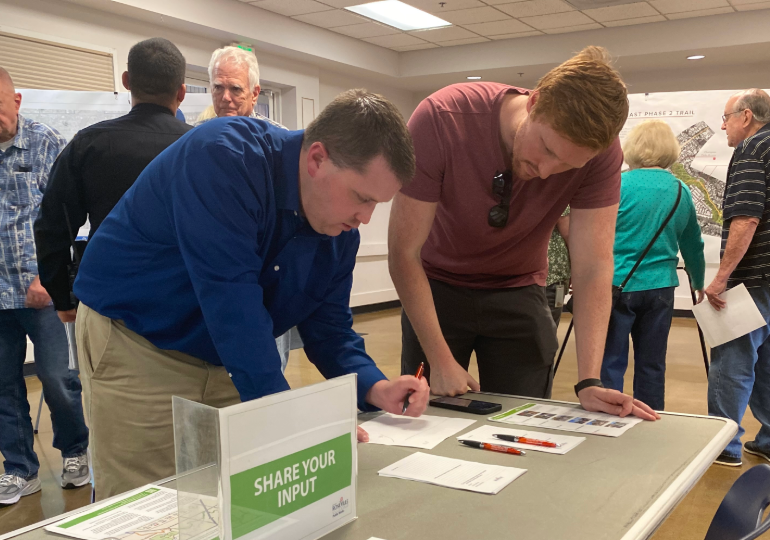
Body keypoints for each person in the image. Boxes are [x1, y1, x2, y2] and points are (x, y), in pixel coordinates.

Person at [73, 89, 430, 499]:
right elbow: (233, 305)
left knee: (233, 498)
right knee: (149, 503)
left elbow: (329, 329)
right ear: (317, 159)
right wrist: (291, 420)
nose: (364, 219)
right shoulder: (223, 158)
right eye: (362, 198)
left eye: (376, 205)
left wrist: (374, 387)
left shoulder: (338, 230)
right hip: (138, 343)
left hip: (226, 357)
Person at [389, 46, 658, 421]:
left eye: (568, 165)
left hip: (519, 288)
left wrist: (589, 380)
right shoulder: (441, 118)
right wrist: (438, 357)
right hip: (435, 288)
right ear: (535, 102)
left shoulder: (601, 155)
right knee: (428, 420)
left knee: (525, 419)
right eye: (547, 148)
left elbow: (594, 264)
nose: (547, 172)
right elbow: (404, 253)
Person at [34, 38, 191, 324]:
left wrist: (63, 297)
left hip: (109, 305)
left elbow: (52, 226)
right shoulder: (202, 147)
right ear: (182, 92)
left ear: (127, 80)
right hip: (187, 305)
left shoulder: (88, 145)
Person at [0, 67, 90, 505]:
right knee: (4, 384)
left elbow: (66, 220)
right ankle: (19, 469)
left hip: (40, 292)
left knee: (56, 378)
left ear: (16, 102)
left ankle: (74, 450)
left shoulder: (46, 142)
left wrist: (47, 277)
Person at [600, 120, 705, 412]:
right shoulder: (682, 190)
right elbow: (693, 244)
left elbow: (598, 236)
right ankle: (650, 416)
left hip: (617, 283)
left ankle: (610, 417)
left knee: (610, 359)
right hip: (661, 287)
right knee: (652, 362)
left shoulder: (617, 184)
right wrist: (697, 281)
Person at [198, 46, 292, 369]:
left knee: (265, 370)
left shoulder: (280, 143)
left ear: (254, 93)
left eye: (235, 89)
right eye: (217, 88)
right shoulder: (195, 141)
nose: (226, 98)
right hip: (214, 279)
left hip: (264, 280)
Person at [702, 89, 770, 467]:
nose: (724, 126)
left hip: (756, 275)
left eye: (726, 117)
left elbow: (746, 218)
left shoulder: (753, 150)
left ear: (746, 117)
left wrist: (721, 278)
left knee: (733, 358)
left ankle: (723, 444)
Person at [546, 207, 571, 325]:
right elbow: (569, 236)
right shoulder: (556, 196)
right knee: (549, 327)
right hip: (554, 277)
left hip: (524, 275)